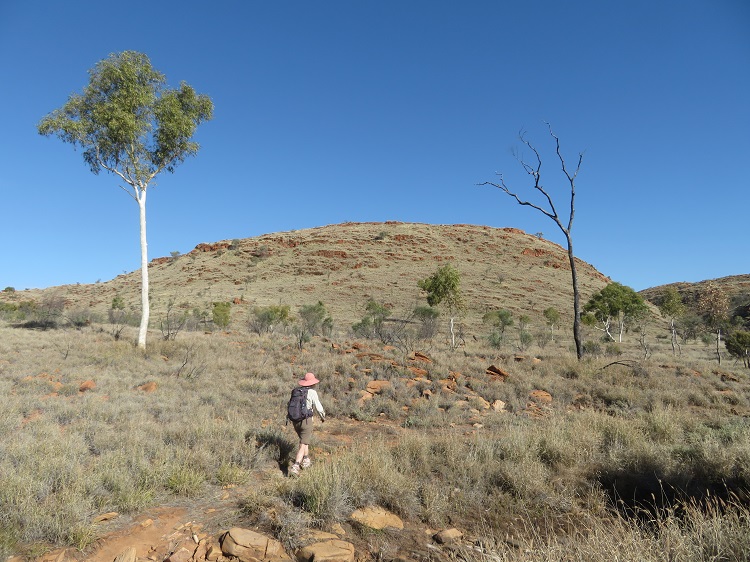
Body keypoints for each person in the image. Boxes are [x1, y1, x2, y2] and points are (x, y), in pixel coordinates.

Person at [289, 372, 325, 476]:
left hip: (295, 421)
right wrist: (323, 417)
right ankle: (295, 466)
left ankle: (306, 460)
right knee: (303, 444)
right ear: (313, 383)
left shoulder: (296, 391)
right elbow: (318, 407)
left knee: (304, 440)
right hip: (306, 421)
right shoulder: (312, 392)